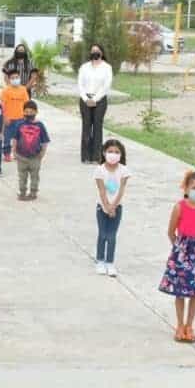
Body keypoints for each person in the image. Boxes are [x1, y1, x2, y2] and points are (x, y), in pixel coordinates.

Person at [159, 171, 195, 344]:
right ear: (187, 188)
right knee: (180, 292)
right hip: (182, 255)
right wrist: (180, 249)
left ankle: (189, 325)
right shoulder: (179, 207)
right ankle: (179, 325)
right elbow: (171, 231)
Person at [94, 139, 130, 277]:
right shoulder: (99, 170)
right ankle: (100, 261)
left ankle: (110, 262)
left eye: (116, 152)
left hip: (117, 207)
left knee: (112, 236)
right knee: (102, 234)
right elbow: (102, 190)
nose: (113, 154)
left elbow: (121, 190)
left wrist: (113, 206)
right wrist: (107, 207)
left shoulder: (124, 171)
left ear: (121, 154)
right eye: (110, 151)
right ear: (104, 153)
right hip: (101, 207)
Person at [78, 43, 113, 164]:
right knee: (86, 127)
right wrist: (86, 98)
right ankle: (86, 156)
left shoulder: (107, 67)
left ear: (102, 53)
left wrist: (95, 99)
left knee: (97, 128)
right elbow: (80, 85)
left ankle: (96, 156)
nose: (95, 52)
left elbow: (106, 86)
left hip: (100, 100)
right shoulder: (84, 67)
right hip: (85, 100)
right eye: (92, 50)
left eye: (97, 50)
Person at [9, 100, 50, 201]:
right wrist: (14, 151)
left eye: (31, 112)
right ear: (23, 112)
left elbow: (45, 141)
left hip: (35, 157)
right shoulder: (19, 124)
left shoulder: (40, 125)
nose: (29, 114)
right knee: (22, 176)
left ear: (36, 112)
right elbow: (15, 139)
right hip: (21, 156)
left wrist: (43, 153)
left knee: (35, 176)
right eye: (26, 112)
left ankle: (33, 193)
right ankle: (22, 192)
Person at [0, 68, 30, 162]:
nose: (15, 79)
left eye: (17, 77)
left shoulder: (23, 90)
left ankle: (17, 154)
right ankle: (7, 154)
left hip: (21, 118)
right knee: (7, 138)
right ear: (9, 79)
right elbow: (2, 106)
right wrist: (5, 118)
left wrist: (27, 117)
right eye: (13, 78)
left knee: (20, 138)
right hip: (9, 119)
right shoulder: (6, 90)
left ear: (19, 78)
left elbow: (27, 104)